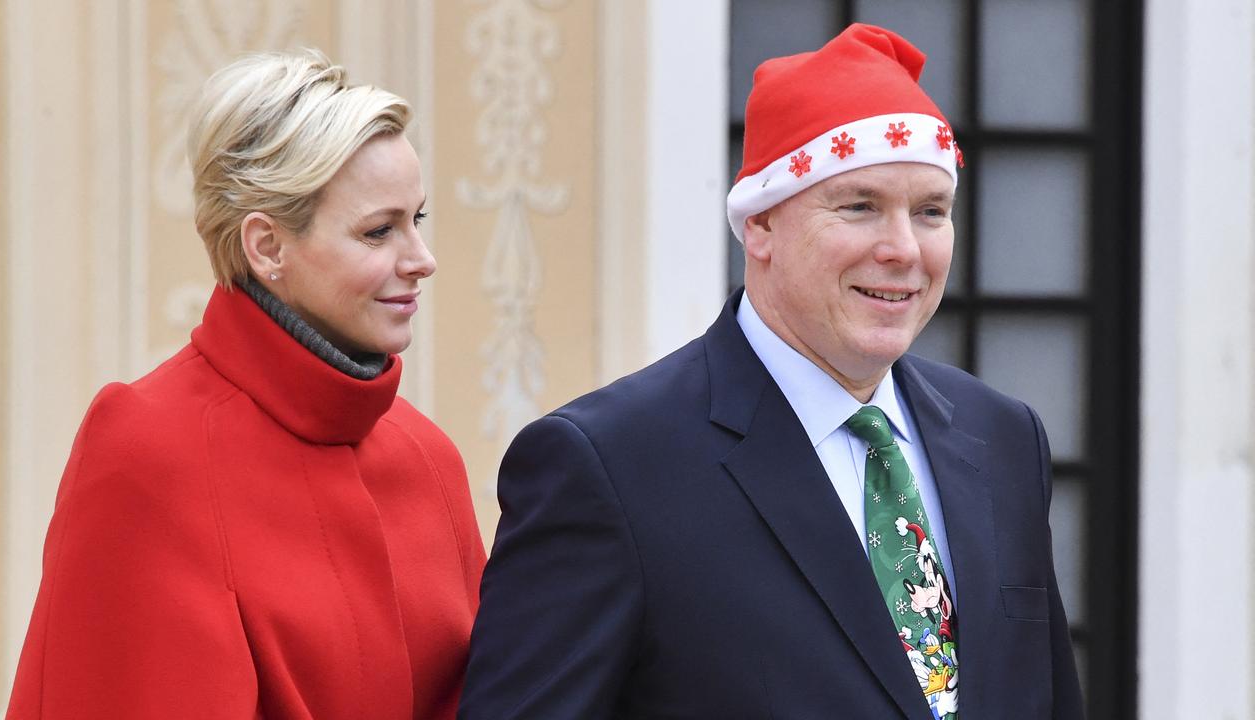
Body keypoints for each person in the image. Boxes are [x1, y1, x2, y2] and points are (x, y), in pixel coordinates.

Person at [460, 24, 1083, 720]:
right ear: (758, 225)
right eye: (860, 206)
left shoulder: (1003, 439)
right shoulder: (607, 467)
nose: (904, 249)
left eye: (931, 212)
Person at [7, 49, 484, 719]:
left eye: (418, 220)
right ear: (266, 248)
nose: (422, 260)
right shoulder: (144, 450)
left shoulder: (429, 459)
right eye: (380, 230)